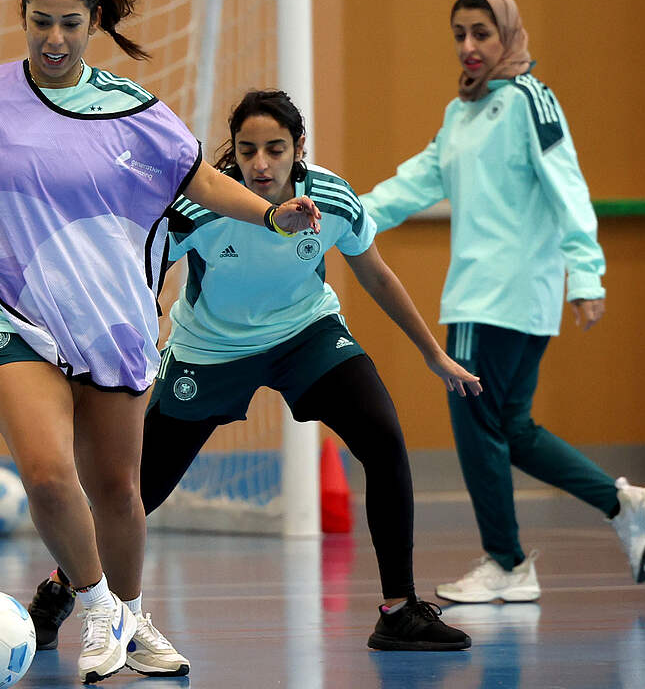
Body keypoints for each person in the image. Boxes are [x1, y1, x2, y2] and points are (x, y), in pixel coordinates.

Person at [0, 0, 321, 683]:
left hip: (106, 315)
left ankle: (132, 616)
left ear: (93, 24)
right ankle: (97, 610)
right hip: (5, 309)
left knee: (118, 490)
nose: (53, 39)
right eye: (40, 22)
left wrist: (270, 215)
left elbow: (198, 181)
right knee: (48, 475)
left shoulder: (133, 110)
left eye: (69, 24)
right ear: (22, 16)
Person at [26, 89, 479, 652]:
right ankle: (61, 587)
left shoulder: (332, 200)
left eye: (275, 149)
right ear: (233, 151)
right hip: (210, 351)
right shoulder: (202, 207)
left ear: (299, 149)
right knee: (139, 490)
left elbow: (377, 275)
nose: (261, 164)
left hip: (307, 336)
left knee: (383, 439)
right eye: (247, 150)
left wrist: (433, 354)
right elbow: (138, 270)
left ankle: (400, 609)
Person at [360, 0, 645, 603]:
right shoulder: (463, 112)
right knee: (510, 427)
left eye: (482, 33)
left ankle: (507, 562)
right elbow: (416, 181)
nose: (469, 46)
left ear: (508, 35)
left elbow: (568, 185)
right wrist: (346, 214)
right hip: (495, 299)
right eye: (459, 35)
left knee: (478, 425)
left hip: (497, 297)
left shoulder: (529, 99)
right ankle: (624, 505)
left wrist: (587, 276)